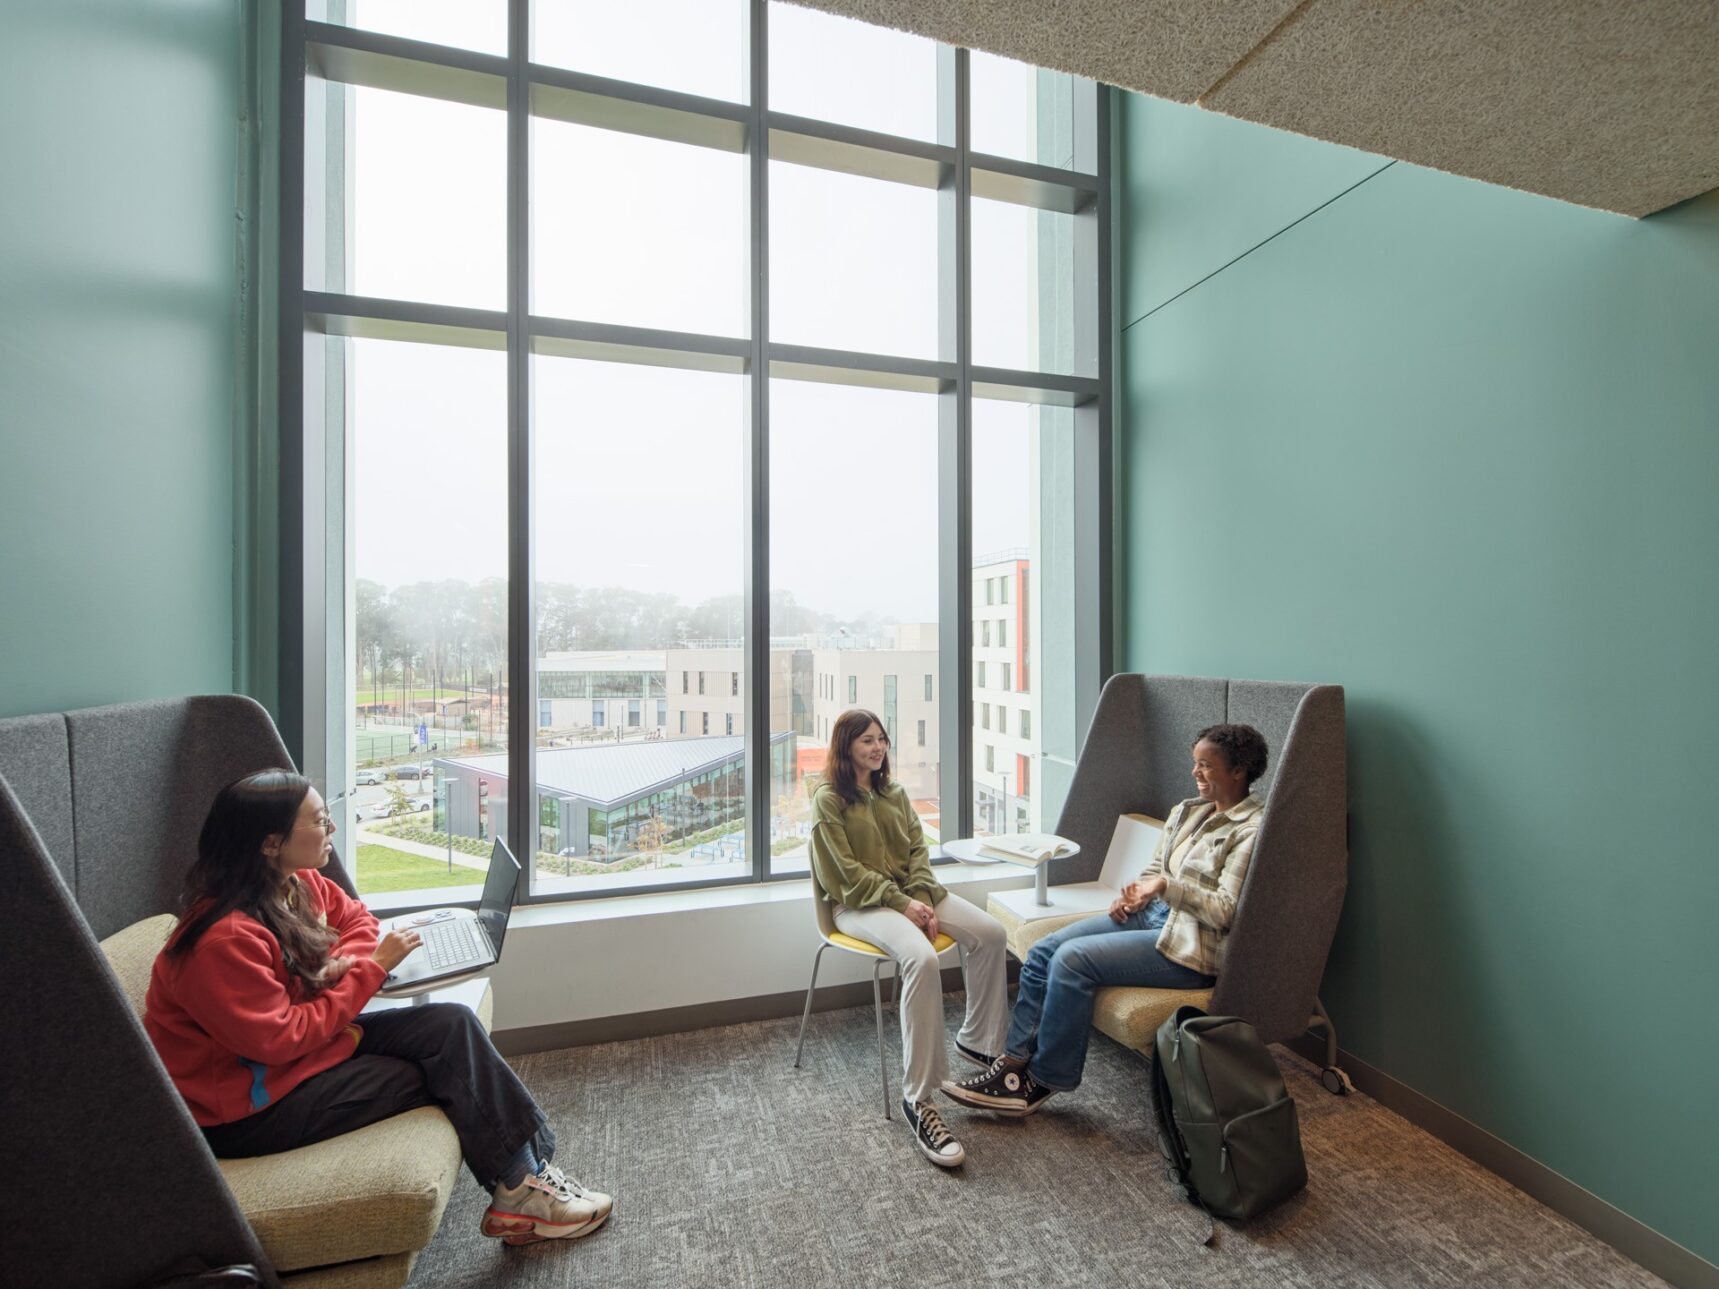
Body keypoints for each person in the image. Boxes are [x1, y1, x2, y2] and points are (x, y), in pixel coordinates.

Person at [144, 770, 613, 1247]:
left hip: (304, 1057)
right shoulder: (223, 941)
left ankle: (525, 1182)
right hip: (249, 1110)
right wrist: (367, 971)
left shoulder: (296, 884)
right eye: (320, 821)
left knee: (450, 1025)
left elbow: (358, 919)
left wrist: (341, 963)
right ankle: (526, 1193)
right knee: (447, 1074)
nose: (331, 829)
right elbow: (282, 1040)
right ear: (270, 842)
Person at [941, 723, 1269, 1117]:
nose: (1195, 773)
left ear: (1239, 771)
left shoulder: (1249, 830)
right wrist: (1132, 897)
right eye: (1194, 763)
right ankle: (1012, 1066)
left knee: (1073, 960)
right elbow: (1155, 868)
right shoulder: (1187, 811)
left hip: (1188, 945)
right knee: (1045, 950)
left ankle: (1042, 1079)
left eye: (1206, 765)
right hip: (1150, 915)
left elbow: (1226, 909)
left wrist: (1164, 887)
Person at [808, 709, 1010, 1168]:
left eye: (881, 740)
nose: (877, 748)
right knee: (922, 960)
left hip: (910, 896)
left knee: (991, 934)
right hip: (858, 905)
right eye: (866, 742)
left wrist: (918, 899)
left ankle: (979, 1041)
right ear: (846, 748)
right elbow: (843, 875)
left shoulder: (895, 794)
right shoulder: (828, 801)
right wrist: (901, 904)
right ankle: (919, 1099)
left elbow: (919, 852)